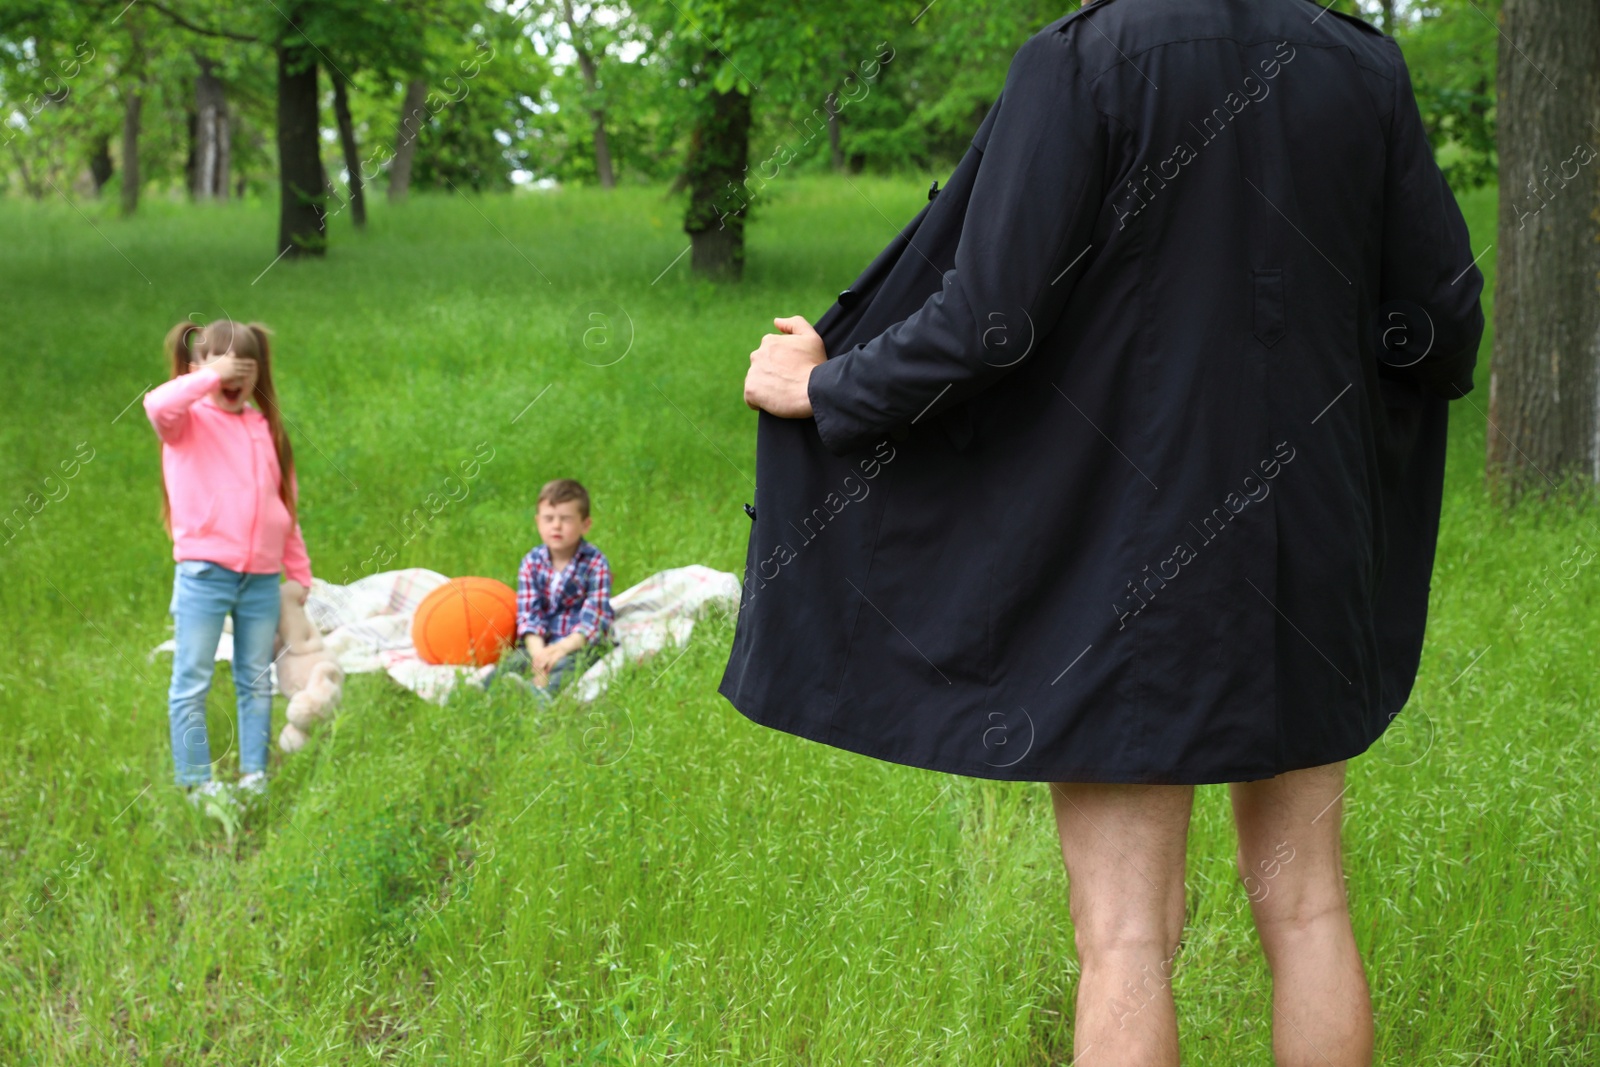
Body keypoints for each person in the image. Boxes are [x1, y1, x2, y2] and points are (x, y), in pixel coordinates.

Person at [730, 0, 1484, 1063]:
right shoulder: (1356, 66)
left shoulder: (1081, 62)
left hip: (1138, 566)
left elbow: (988, 324)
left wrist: (830, 383)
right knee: (1310, 909)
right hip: (1314, 545)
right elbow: (1442, 325)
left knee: (1126, 937)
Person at [144, 320, 313, 808]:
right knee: (192, 678)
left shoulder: (266, 429)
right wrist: (210, 375)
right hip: (205, 574)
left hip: (260, 579)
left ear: (258, 372)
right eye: (222, 363)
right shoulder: (187, 420)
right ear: (196, 368)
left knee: (255, 678)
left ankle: (255, 774)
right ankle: (197, 782)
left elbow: (285, 509)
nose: (234, 374)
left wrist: (297, 572)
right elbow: (156, 403)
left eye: (246, 364)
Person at [488, 478, 614, 700]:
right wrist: (539, 656)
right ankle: (481, 692)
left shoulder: (595, 563)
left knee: (569, 666)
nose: (556, 526)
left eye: (565, 519)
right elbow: (529, 615)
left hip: (578, 642)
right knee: (514, 662)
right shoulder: (531, 562)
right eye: (549, 519)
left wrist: (561, 649)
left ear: (585, 524)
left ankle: (542, 700)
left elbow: (594, 619)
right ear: (538, 522)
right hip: (540, 643)